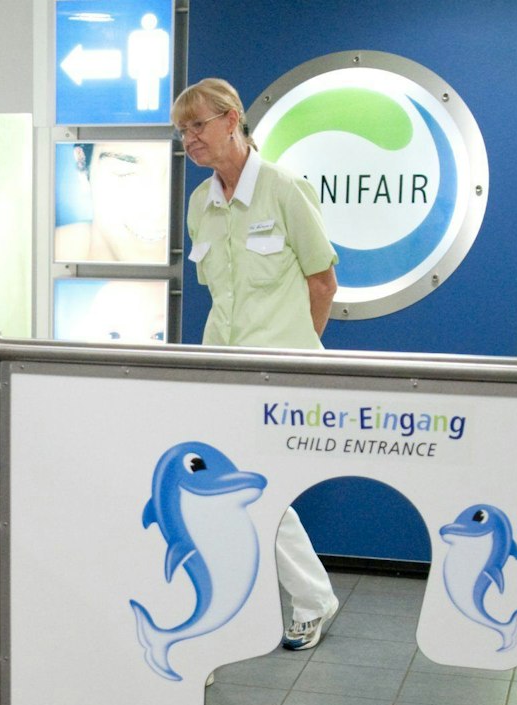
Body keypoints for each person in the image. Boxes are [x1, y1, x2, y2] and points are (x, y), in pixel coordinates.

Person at [174, 77, 341, 650]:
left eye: (197, 125)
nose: (189, 139)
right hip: (221, 369)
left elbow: (323, 281)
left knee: (255, 490)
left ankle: (308, 600)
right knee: (241, 490)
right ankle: (296, 599)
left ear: (232, 118)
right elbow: (218, 296)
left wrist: (301, 354)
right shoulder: (200, 204)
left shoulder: (284, 189)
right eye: (182, 131)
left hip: (282, 372)